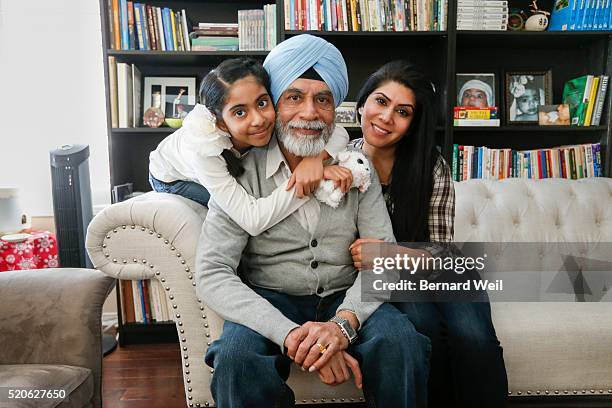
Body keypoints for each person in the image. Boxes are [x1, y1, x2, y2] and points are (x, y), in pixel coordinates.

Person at [197, 35, 430, 408]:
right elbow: (212, 272)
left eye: (322, 99)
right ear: (273, 103)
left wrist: (342, 325)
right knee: (236, 360)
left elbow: (382, 262)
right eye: (294, 97)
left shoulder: (356, 169)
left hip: (345, 295)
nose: (309, 113)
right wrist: (291, 335)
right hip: (269, 300)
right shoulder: (237, 175)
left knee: (402, 343)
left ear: (335, 108)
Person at [349, 60, 508, 407]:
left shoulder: (431, 165)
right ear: (362, 104)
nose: (386, 117)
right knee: (425, 330)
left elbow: (442, 252)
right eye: (380, 101)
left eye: (402, 111)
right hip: (389, 278)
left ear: (412, 123)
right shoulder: (340, 162)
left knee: (474, 336)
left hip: (441, 269)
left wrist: (390, 253)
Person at [148, 58, 352, 236]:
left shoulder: (268, 122)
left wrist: (314, 161)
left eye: (262, 103)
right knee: (228, 217)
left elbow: (338, 131)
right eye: (239, 113)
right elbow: (252, 221)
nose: (258, 120)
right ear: (220, 122)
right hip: (172, 178)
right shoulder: (204, 150)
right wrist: (311, 180)